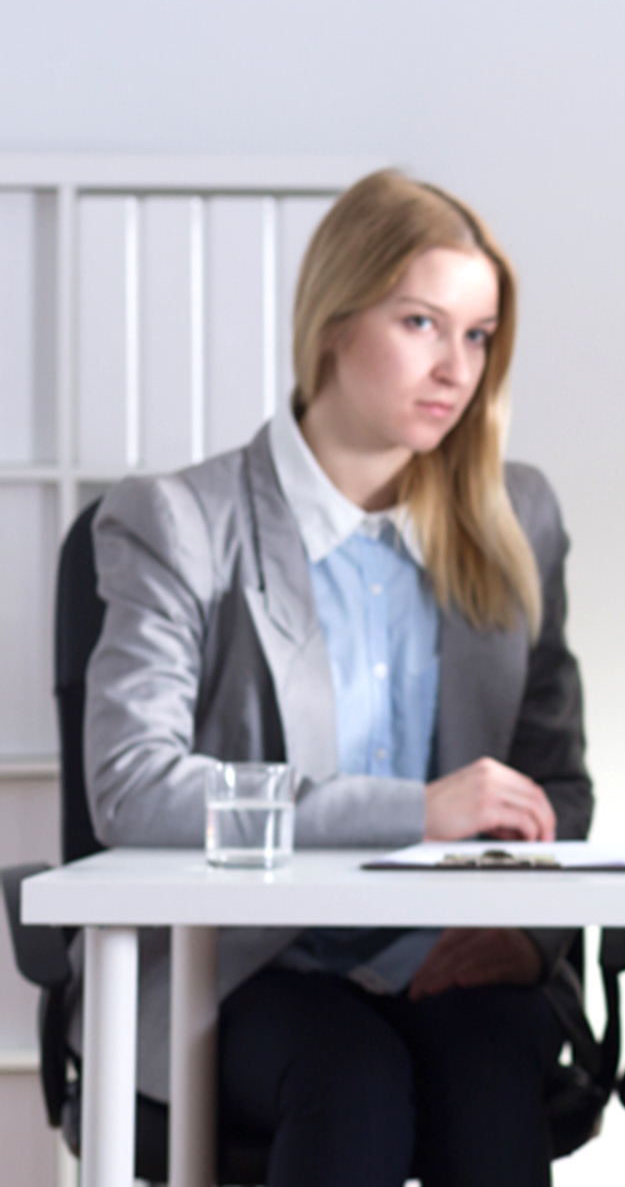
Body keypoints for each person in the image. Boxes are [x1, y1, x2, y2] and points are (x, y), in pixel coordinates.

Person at [82, 169, 590, 1186]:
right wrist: (415, 809)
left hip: (451, 949)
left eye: (480, 335)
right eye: (421, 323)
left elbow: (555, 789)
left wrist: (526, 934)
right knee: (351, 1088)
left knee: (494, 1089)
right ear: (332, 319)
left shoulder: (515, 516)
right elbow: (131, 786)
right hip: (251, 960)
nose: (457, 367)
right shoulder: (182, 520)